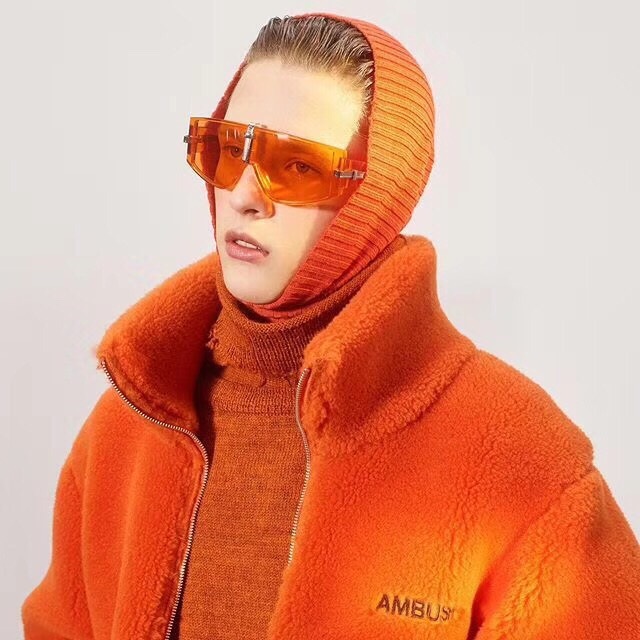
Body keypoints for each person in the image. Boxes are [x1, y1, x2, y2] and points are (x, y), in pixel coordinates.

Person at [21, 11, 640, 640]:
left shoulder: (521, 458)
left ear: (377, 194)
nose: (244, 195)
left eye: (296, 167)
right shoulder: (130, 423)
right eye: (230, 150)